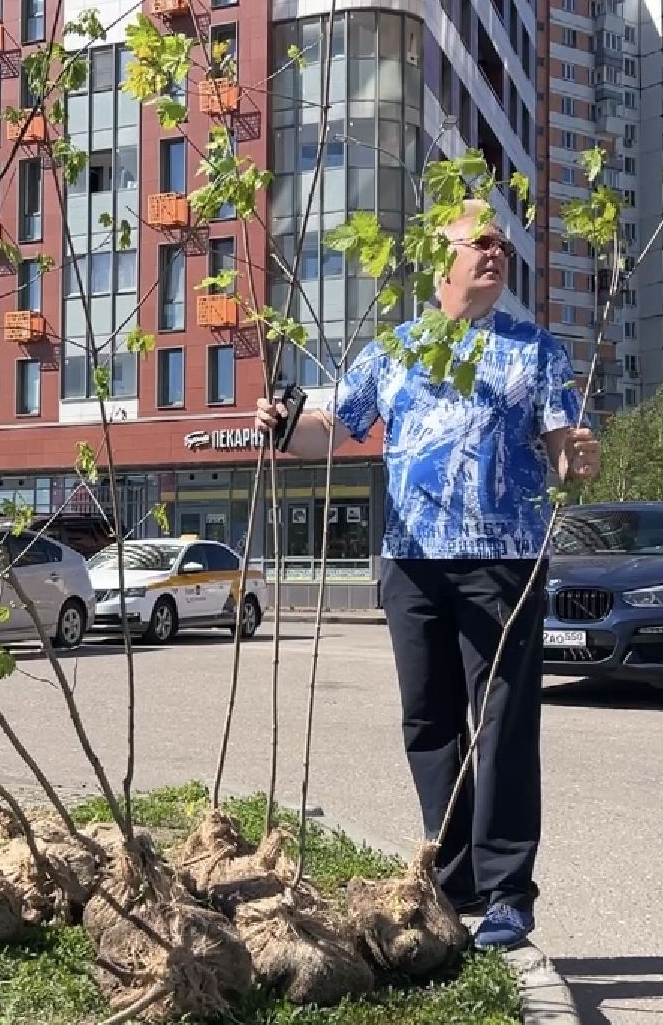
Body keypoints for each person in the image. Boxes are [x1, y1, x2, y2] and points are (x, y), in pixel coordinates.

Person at [253, 199, 600, 950]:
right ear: (437, 260)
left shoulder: (535, 350)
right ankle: (452, 880)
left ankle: (508, 891)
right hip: (410, 558)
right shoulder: (395, 349)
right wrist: (281, 423)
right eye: (478, 240)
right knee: (428, 723)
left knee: (503, 724)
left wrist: (578, 456)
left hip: (502, 559)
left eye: (502, 242)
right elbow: (331, 430)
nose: (494, 250)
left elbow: (562, 453)